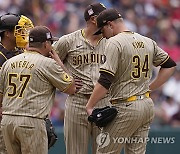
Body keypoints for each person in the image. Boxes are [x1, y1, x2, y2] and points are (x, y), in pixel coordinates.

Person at [86, 9, 176, 154]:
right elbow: (170, 65)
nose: (102, 36)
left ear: (110, 25)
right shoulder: (146, 40)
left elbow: (105, 80)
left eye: (102, 31)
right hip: (146, 106)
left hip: (125, 106)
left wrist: (90, 105)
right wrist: (149, 88)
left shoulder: (114, 43)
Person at [0, 26, 76, 154]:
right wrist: (59, 62)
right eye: (51, 43)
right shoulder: (48, 63)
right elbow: (72, 88)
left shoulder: (9, 62)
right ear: (46, 44)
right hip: (31, 121)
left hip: (7, 121)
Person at [53, 3, 111, 154]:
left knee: (106, 151)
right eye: (105, 17)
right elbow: (49, 66)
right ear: (93, 19)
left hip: (104, 102)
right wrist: (64, 82)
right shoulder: (68, 41)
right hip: (77, 101)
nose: (109, 20)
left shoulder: (113, 42)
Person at [0, 13, 34, 154]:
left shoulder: (21, 53)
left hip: (20, 116)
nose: (24, 33)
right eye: (20, 30)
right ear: (7, 33)